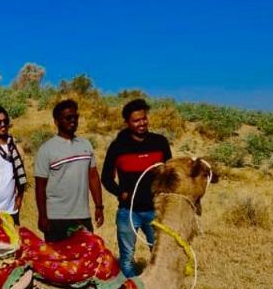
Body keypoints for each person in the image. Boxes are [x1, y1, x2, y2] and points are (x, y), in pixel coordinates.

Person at [101, 98, 172, 277]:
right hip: (128, 212)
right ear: (127, 123)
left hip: (155, 210)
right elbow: (106, 178)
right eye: (136, 120)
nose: (142, 123)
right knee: (126, 258)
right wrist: (121, 193)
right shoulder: (118, 147)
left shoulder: (160, 142)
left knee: (159, 255)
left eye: (144, 118)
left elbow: (170, 174)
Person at [33, 98, 104, 242]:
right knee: (58, 261)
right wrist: (43, 216)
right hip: (56, 218)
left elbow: (93, 177)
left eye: (75, 117)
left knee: (85, 260)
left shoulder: (86, 145)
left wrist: (99, 206)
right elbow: (40, 187)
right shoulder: (46, 149)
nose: (73, 121)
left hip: (82, 216)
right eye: (68, 118)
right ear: (57, 121)